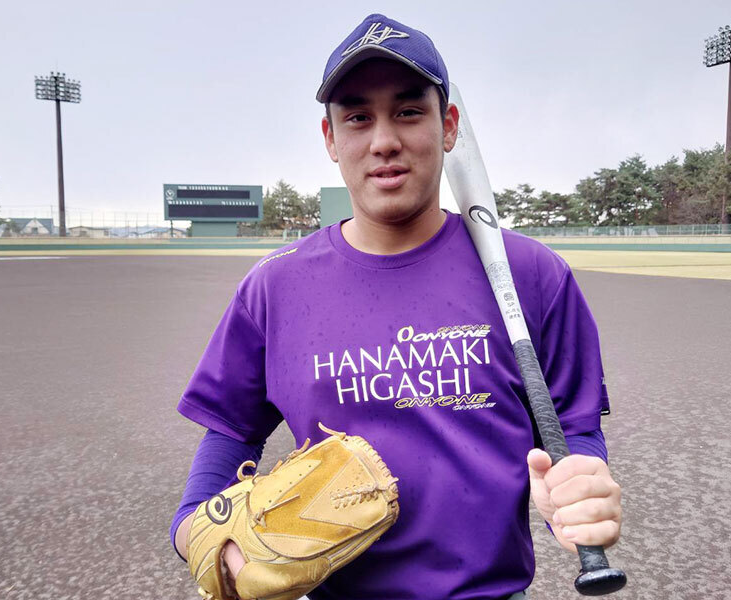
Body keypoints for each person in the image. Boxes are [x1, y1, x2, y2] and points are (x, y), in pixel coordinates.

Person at [170, 13, 622, 600]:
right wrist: (198, 531)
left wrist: (580, 490)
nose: (384, 139)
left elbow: (573, 427)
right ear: (331, 139)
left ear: (449, 125)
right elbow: (231, 431)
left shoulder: (534, 276)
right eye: (358, 116)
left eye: (408, 111)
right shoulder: (273, 288)